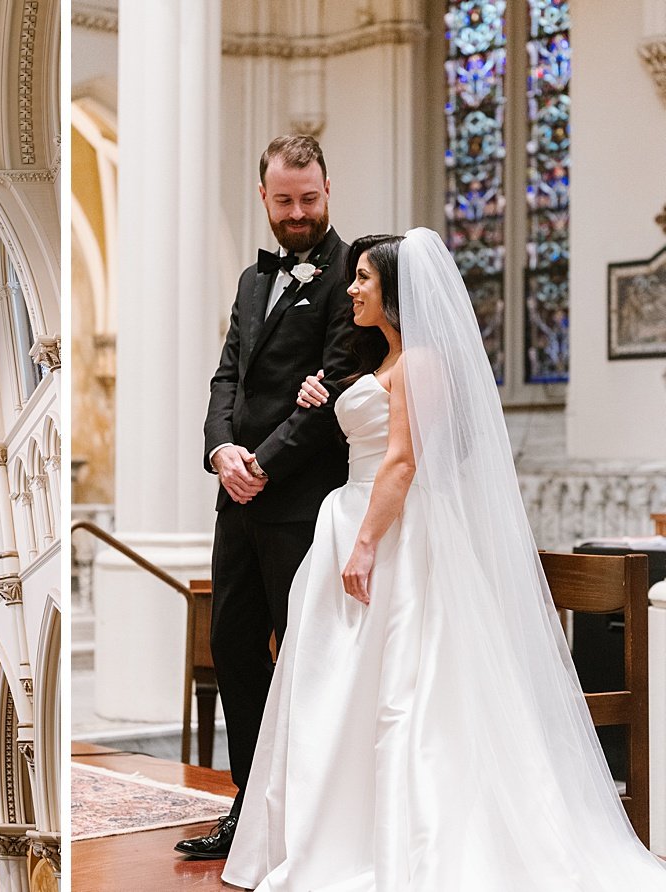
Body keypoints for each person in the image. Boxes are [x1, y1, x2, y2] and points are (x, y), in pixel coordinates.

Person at [223, 229, 666, 890]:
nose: (352, 289)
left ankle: (403, 841)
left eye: (364, 279)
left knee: (405, 690)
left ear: (396, 291)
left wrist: (367, 543)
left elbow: (403, 461)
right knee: (339, 689)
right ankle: (337, 828)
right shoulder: (383, 360)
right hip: (352, 517)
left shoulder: (423, 361)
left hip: (392, 531)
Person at [179, 134, 356, 859]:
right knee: (234, 648)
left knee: (306, 658)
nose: (297, 214)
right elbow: (228, 377)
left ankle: (308, 816)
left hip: (302, 502)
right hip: (237, 502)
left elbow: (339, 378)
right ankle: (249, 809)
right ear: (264, 197)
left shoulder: (353, 269)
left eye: (308, 199)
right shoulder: (253, 282)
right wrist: (222, 452)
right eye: (283, 201)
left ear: (326, 189)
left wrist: (264, 465)